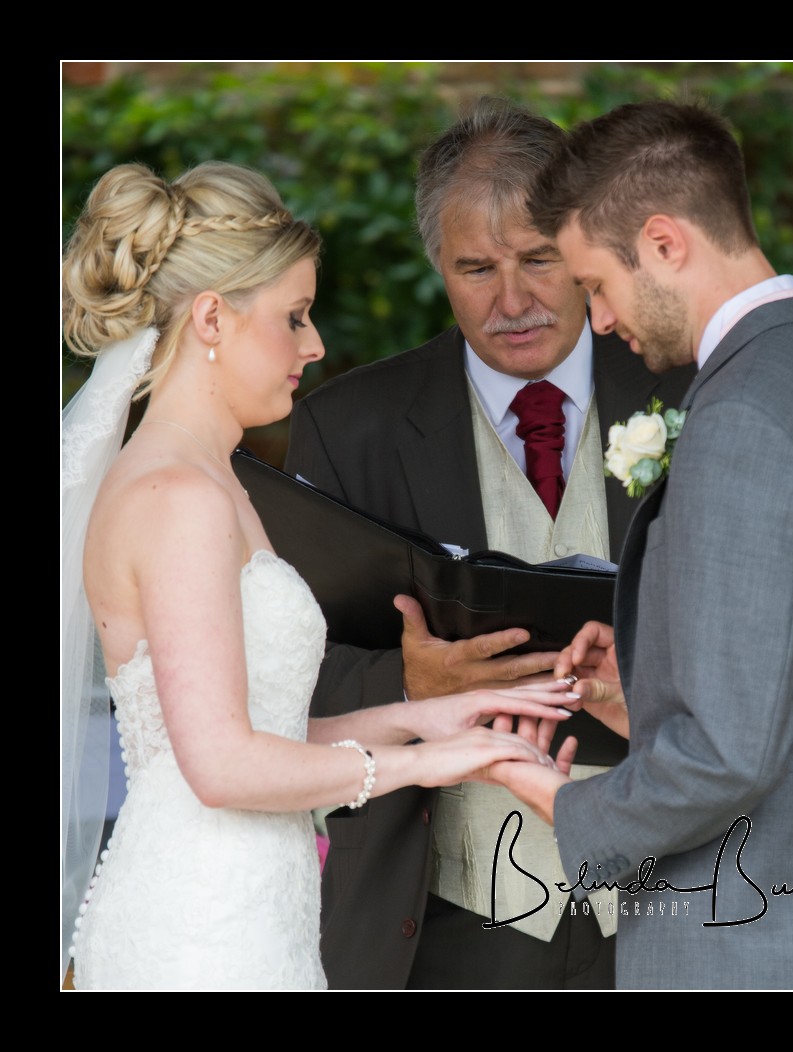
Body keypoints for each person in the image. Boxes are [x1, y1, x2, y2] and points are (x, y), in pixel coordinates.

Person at [60, 160, 578, 991]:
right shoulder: (180, 497)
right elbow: (221, 768)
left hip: (250, 907)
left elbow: (255, 735)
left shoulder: (211, 480)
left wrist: (425, 718)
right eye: (294, 317)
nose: (315, 345)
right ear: (212, 317)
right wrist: (424, 765)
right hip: (201, 931)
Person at [490, 99, 793, 990]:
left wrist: (564, 802)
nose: (598, 320)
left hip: (754, 951)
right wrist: (664, 691)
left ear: (665, 243)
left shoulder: (742, 416)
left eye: (596, 284)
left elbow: (727, 758)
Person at [285, 98, 694, 989]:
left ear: (584, 246)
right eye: (477, 268)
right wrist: (406, 684)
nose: (513, 302)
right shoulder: (347, 429)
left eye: (539, 259)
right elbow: (287, 672)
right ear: (438, 263)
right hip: (448, 916)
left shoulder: (694, 394)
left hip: (677, 899)